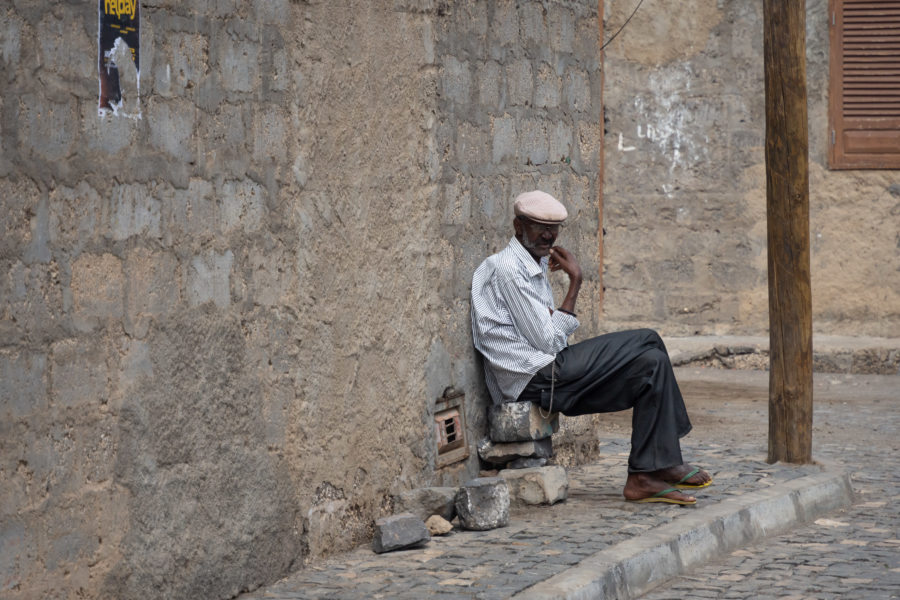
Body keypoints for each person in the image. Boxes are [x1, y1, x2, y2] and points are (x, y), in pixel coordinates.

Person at [470, 190, 711, 505]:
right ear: (518, 227)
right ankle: (666, 460)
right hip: (534, 378)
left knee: (651, 363)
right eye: (539, 227)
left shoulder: (533, 265)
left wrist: (558, 314)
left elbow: (547, 335)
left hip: (548, 371)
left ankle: (643, 477)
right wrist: (575, 283)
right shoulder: (507, 269)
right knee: (648, 338)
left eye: (554, 228)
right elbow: (548, 342)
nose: (548, 235)